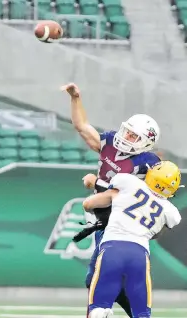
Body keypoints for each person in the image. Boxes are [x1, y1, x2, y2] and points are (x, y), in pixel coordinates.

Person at [61, 83, 161, 317]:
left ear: (146, 141)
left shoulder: (148, 163)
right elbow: (82, 126)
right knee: (107, 281)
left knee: (98, 278)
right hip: (105, 221)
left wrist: (97, 184)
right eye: (126, 131)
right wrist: (76, 98)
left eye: (133, 135)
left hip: (124, 225)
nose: (125, 137)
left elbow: (137, 195)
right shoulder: (109, 145)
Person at [82, 161, 182, 318]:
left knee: (98, 307)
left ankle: (102, 312)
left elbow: (89, 204)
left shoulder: (127, 181)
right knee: (142, 312)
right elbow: (156, 233)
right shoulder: (170, 211)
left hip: (112, 247)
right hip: (139, 253)